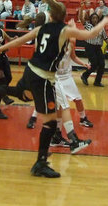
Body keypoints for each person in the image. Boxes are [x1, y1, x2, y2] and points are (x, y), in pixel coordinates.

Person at [0, 0, 108, 178]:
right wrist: (104, 21)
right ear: (64, 17)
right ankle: (40, 163)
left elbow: (20, 41)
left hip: (30, 70)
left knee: (24, 95)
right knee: (49, 123)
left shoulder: (43, 28)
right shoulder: (65, 31)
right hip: (43, 77)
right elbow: (90, 35)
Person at [27, 16, 94, 147]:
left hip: (53, 76)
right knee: (63, 107)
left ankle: (56, 136)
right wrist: (73, 26)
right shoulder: (56, 38)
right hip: (53, 77)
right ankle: (72, 140)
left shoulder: (44, 36)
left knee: (60, 106)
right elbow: (76, 36)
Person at [81, 12, 108, 87]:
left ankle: (97, 82)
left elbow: (105, 38)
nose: (95, 19)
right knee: (94, 64)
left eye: (96, 18)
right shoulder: (88, 26)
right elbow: (81, 19)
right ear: (91, 19)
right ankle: (84, 76)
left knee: (102, 64)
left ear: (98, 19)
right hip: (90, 47)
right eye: (93, 18)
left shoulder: (101, 28)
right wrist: (81, 9)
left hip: (98, 47)